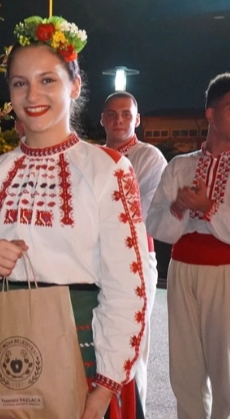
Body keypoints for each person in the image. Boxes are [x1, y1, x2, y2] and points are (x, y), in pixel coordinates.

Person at [0, 16, 150, 419]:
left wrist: (105, 385)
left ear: (75, 85)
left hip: (84, 352)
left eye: (47, 80)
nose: (32, 94)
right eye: (20, 83)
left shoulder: (109, 169)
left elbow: (128, 286)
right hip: (5, 344)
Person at [146, 72, 230, 419]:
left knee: (226, 366)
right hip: (182, 268)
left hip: (225, 272)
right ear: (210, 113)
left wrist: (207, 207)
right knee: (185, 367)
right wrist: (179, 209)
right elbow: (154, 223)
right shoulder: (181, 165)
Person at [101, 91, 167, 410]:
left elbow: (141, 211)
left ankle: (133, 412)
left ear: (137, 119)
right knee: (97, 341)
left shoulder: (149, 157)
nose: (118, 120)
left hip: (135, 257)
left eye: (126, 114)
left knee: (133, 342)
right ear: (102, 119)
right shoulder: (92, 155)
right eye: (112, 114)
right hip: (95, 260)